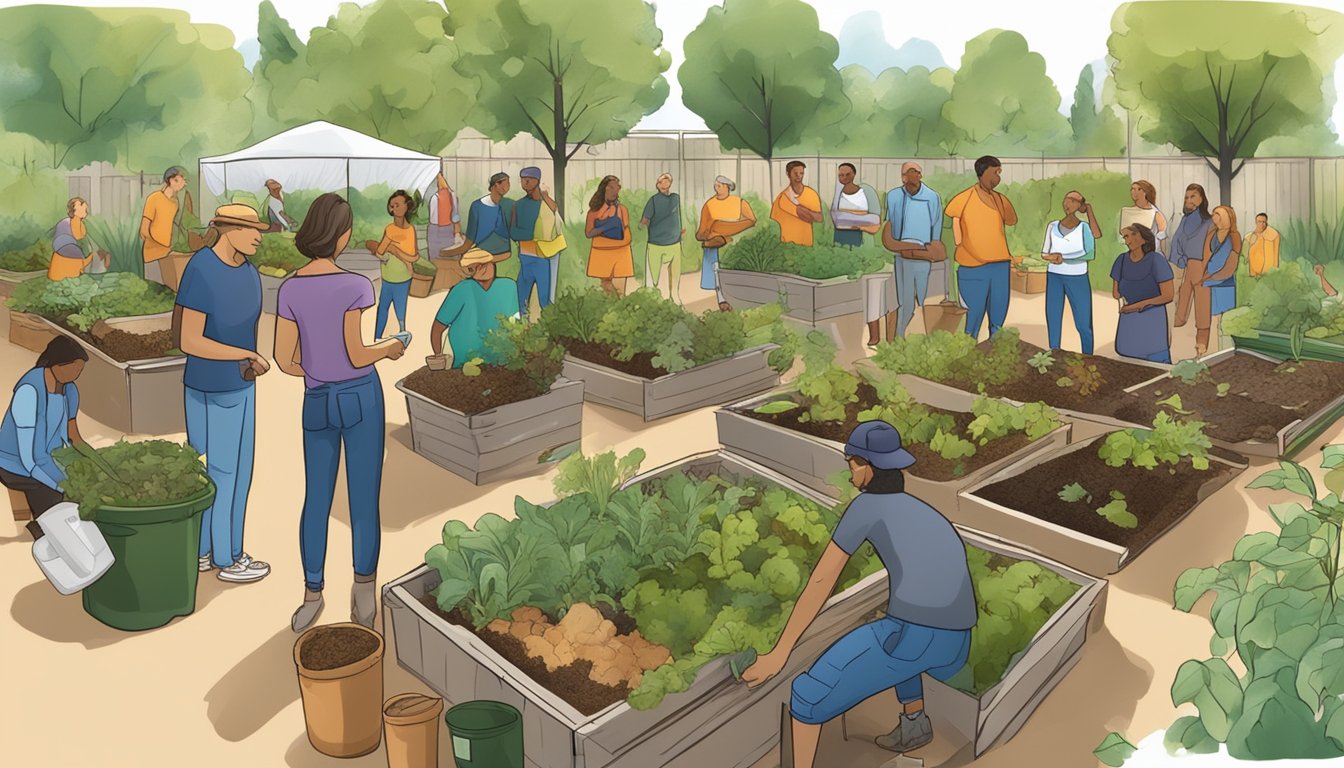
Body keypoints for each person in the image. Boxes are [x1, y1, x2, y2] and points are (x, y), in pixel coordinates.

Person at [742, 421, 976, 766]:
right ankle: (914, 725)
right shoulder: (920, 510)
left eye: (851, 462)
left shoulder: (866, 507)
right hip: (956, 644)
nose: (849, 471)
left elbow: (822, 580)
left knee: (808, 694)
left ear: (867, 467)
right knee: (893, 632)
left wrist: (780, 653)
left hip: (917, 638)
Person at [273, 193, 406, 631]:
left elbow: (284, 359)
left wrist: (316, 368)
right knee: (363, 498)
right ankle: (363, 592)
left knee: (317, 498)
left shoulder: (290, 288)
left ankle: (312, 594)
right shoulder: (355, 286)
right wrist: (389, 348)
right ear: (342, 235)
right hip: (361, 397)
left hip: (317, 400)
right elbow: (356, 353)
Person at [175, 204, 271, 584]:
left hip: (241, 383)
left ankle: (207, 551)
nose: (259, 236)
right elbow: (188, 339)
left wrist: (248, 360)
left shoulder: (250, 273)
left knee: (235, 471)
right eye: (251, 229)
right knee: (217, 471)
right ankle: (226, 557)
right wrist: (245, 354)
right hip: (209, 384)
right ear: (227, 229)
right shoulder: (202, 268)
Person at [0, 336, 89, 541]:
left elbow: (73, 436)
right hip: (15, 464)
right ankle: (39, 531)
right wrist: (62, 485)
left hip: (49, 459)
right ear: (57, 365)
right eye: (75, 368)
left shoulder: (70, 390)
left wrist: (96, 465)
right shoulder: (28, 392)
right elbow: (30, 459)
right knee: (60, 505)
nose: (78, 374)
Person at [945, 156, 1017, 339]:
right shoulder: (964, 198)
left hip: (1000, 267)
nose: (998, 177)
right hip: (973, 268)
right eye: (995, 172)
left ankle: (994, 359)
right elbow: (956, 228)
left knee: (998, 320)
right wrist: (962, 245)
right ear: (983, 172)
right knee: (973, 320)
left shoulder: (1000, 200)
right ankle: (968, 359)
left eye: (999, 173)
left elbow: (1011, 220)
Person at [882, 162, 945, 340]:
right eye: (909, 173)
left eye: (916, 172)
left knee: (925, 299)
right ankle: (901, 338)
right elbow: (890, 225)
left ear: (920, 175)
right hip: (902, 256)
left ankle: (922, 338)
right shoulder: (894, 196)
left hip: (924, 257)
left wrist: (931, 250)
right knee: (905, 302)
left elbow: (936, 226)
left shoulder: (932, 197)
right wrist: (896, 246)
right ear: (903, 177)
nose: (913, 177)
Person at [431, 248, 520, 366]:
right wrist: (438, 357)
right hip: (465, 364)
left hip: (502, 363)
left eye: (483, 264)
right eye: (473, 268)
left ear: (492, 263)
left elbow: (516, 322)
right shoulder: (463, 289)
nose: (481, 270)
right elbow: (438, 327)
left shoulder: (509, 286)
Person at [1041, 191, 1101, 354]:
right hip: (1054, 275)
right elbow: (1044, 252)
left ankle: (1088, 356)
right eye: (1066, 199)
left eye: (1073, 201)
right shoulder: (1052, 226)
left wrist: (1064, 258)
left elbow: (1089, 253)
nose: (1068, 203)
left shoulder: (1084, 227)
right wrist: (1051, 258)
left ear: (1079, 205)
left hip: (1077, 276)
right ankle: (1054, 351)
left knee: (1083, 322)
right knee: (1053, 316)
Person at [1111, 224, 1175, 364]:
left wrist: (1138, 306)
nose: (1129, 240)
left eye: (1132, 235)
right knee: (1129, 366)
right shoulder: (1121, 260)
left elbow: (1168, 295)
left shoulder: (1156, 260)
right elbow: (1116, 294)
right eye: (1126, 237)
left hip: (1152, 320)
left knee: (1157, 367)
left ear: (1144, 238)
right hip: (1129, 322)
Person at [363, 190, 419, 340]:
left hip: (403, 278)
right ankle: (377, 337)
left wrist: (395, 250)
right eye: (392, 206)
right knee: (383, 308)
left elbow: (413, 257)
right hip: (388, 276)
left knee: (401, 309)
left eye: (397, 205)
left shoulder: (410, 230)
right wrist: (392, 251)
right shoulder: (390, 229)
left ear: (407, 206)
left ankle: (402, 338)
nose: (394, 209)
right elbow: (380, 252)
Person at [696, 176, 757, 311]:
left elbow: (751, 220)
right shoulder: (709, 204)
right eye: (715, 184)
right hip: (715, 246)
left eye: (719, 185)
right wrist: (712, 234)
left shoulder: (739, 202)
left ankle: (742, 299)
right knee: (718, 272)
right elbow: (701, 232)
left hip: (736, 243)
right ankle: (722, 300)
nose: (716, 187)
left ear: (727, 187)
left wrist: (729, 229)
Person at [511, 166, 561, 315]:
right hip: (525, 257)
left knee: (545, 300)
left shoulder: (546, 203)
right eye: (522, 179)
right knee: (521, 301)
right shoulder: (518, 205)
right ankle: (523, 330)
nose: (525, 182)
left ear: (537, 181)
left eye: (529, 179)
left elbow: (554, 211)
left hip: (543, 258)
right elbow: (513, 232)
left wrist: (545, 195)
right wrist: (532, 234)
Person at [1197, 205, 1242, 356]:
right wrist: (1205, 276)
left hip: (1225, 283)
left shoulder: (1234, 236)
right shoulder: (1211, 234)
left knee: (1224, 320)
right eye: (1214, 213)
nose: (1214, 216)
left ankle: (1224, 351)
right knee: (1207, 319)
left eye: (1217, 214)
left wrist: (1215, 276)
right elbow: (1205, 256)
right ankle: (1206, 350)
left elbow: (1232, 263)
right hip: (1207, 282)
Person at [1169, 184, 1214, 332]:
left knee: (1201, 294)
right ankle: (1179, 319)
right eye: (1186, 197)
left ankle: (1202, 327)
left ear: (1202, 198)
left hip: (1203, 263)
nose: (1189, 200)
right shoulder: (1184, 220)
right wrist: (1179, 259)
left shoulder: (1210, 222)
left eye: (1193, 196)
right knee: (1184, 292)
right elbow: (1176, 239)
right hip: (1188, 263)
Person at [444, 172, 514, 262]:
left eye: (508, 184)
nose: (508, 187)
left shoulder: (509, 204)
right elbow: (470, 238)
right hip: (479, 249)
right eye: (506, 183)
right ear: (496, 184)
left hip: (502, 251)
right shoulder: (477, 206)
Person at [140, 166, 190, 290]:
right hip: (152, 254)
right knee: (154, 291)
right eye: (181, 179)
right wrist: (159, 244)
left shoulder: (175, 203)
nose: (185, 183)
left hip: (167, 254)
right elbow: (143, 230)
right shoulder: (154, 198)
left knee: (169, 292)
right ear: (172, 181)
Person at [585, 175, 634, 296]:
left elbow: (626, 234)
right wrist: (605, 228)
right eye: (610, 187)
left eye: (616, 187)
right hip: (601, 253)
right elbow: (588, 232)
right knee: (606, 287)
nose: (614, 191)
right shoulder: (594, 210)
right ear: (604, 189)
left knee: (620, 290)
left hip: (621, 253)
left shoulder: (622, 209)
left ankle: (620, 311)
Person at [641, 173, 685, 305]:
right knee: (652, 276)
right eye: (662, 182)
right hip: (656, 243)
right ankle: (651, 299)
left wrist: (680, 231)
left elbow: (678, 216)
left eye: (667, 182)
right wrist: (642, 226)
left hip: (674, 242)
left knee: (675, 272)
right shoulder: (653, 200)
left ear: (670, 184)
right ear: (658, 185)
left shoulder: (675, 198)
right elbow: (645, 220)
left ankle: (675, 296)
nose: (665, 185)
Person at [47, 197, 109, 281]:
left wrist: (104, 253)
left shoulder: (85, 225)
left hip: (79, 265)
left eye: (84, 204)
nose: (84, 206)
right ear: (73, 210)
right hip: (64, 263)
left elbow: (97, 240)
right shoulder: (64, 224)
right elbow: (60, 245)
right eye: (80, 204)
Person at [771, 161, 823, 246]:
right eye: (795, 173)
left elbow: (819, 218)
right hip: (786, 244)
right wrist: (809, 213)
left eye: (801, 173)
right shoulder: (782, 198)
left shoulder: (811, 194)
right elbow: (774, 223)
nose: (798, 175)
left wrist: (805, 211)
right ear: (788, 174)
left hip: (806, 243)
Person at [832, 162, 881, 247]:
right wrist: (861, 218)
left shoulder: (866, 191)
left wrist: (857, 225)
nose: (844, 177)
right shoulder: (838, 193)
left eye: (848, 174)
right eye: (841, 175)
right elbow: (836, 218)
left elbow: (876, 219)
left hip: (863, 236)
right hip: (840, 236)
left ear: (854, 174)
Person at [1119, 180, 1167, 251]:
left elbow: (1162, 238)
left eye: (1139, 189)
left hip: (1151, 254)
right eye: (1133, 189)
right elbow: (1122, 235)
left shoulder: (1155, 213)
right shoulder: (1127, 211)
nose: (1134, 192)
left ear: (1146, 192)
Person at [426, 172, 462, 263]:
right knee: (436, 257)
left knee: (449, 255)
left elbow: (455, 216)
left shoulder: (452, 196)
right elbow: (433, 218)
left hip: (447, 229)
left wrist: (457, 233)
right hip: (436, 230)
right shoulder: (435, 198)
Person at [1245, 213, 1280, 278]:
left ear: (1266, 222)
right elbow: (1248, 253)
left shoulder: (1273, 235)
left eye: (1263, 222)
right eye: (1259, 221)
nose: (1262, 224)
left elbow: (1276, 254)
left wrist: (1275, 270)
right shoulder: (1250, 236)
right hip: (1254, 271)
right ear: (1256, 222)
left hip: (1268, 271)